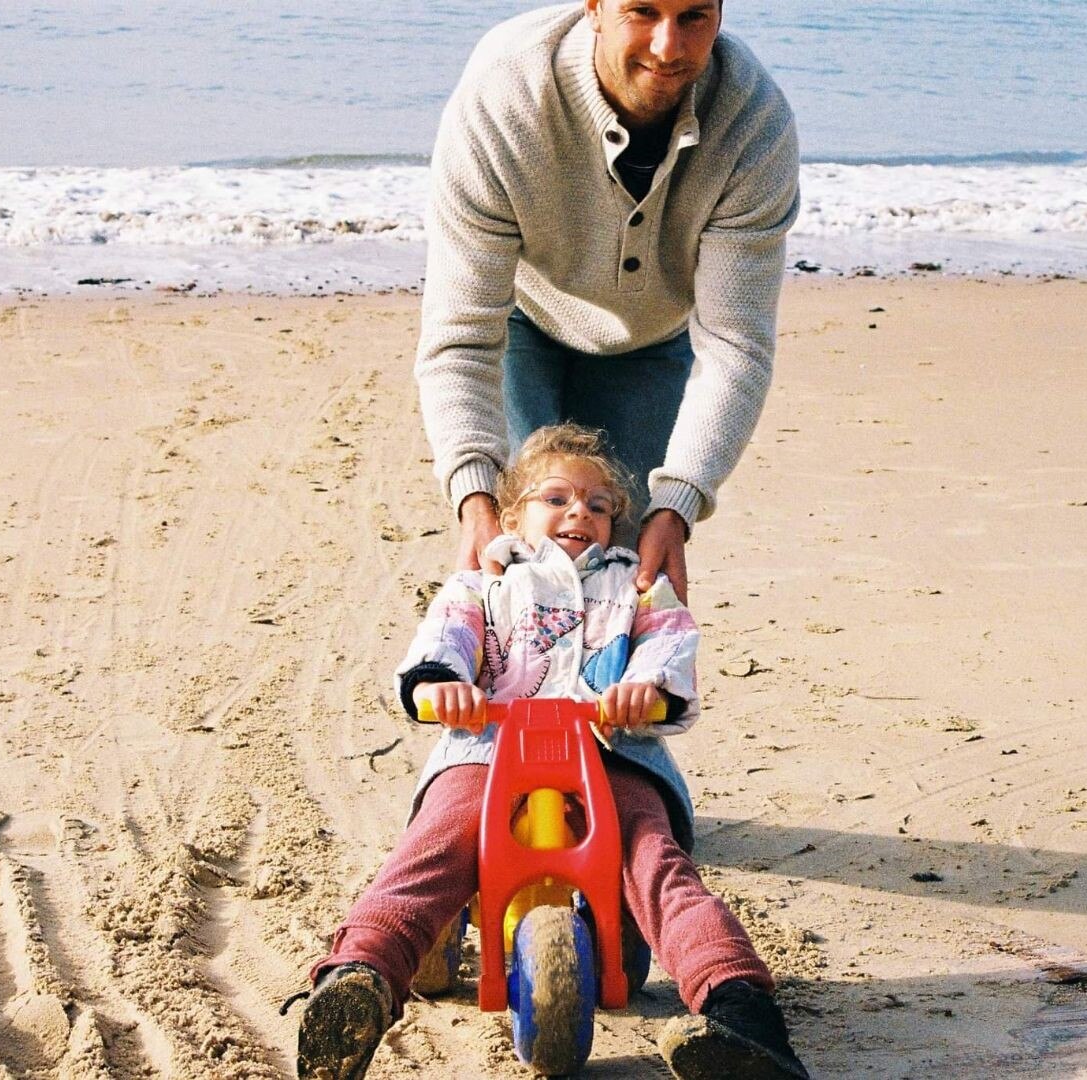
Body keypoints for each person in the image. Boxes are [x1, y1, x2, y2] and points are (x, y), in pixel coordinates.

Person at [292, 425, 809, 1080]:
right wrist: (441, 683)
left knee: (654, 862)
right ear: (512, 516)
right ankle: (359, 979)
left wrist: (645, 687)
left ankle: (741, 1012)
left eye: (599, 506)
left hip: (612, 753)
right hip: (489, 750)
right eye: (557, 498)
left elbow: (669, 637)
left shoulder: (634, 582)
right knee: (438, 845)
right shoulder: (484, 583)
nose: (580, 513)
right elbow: (446, 634)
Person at [415, 0, 800, 602]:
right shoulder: (503, 96)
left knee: (619, 568)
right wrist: (474, 496)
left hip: (654, 340)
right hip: (524, 317)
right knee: (527, 550)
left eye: (694, 16)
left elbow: (735, 347)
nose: (668, 47)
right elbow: (462, 334)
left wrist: (678, 501)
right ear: (594, 7)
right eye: (642, 11)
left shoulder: (755, 124)